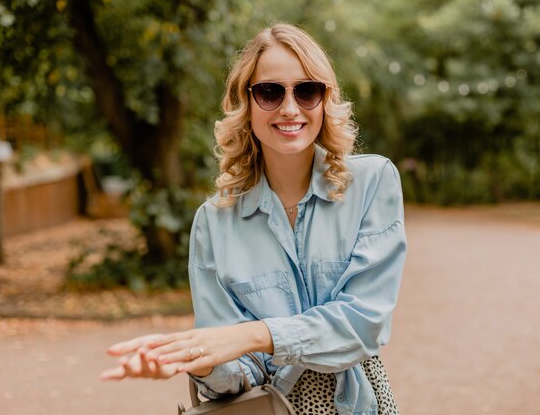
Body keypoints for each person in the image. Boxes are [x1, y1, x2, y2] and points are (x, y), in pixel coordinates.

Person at [100, 23, 407, 415]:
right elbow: (235, 374)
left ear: (325, 100)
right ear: (245, 103)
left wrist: (253, 335)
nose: (290, 109)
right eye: (270, 91)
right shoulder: (214, 222)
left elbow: (364, 324)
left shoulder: (373, 181)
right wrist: (201, 361)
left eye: (307, 90)